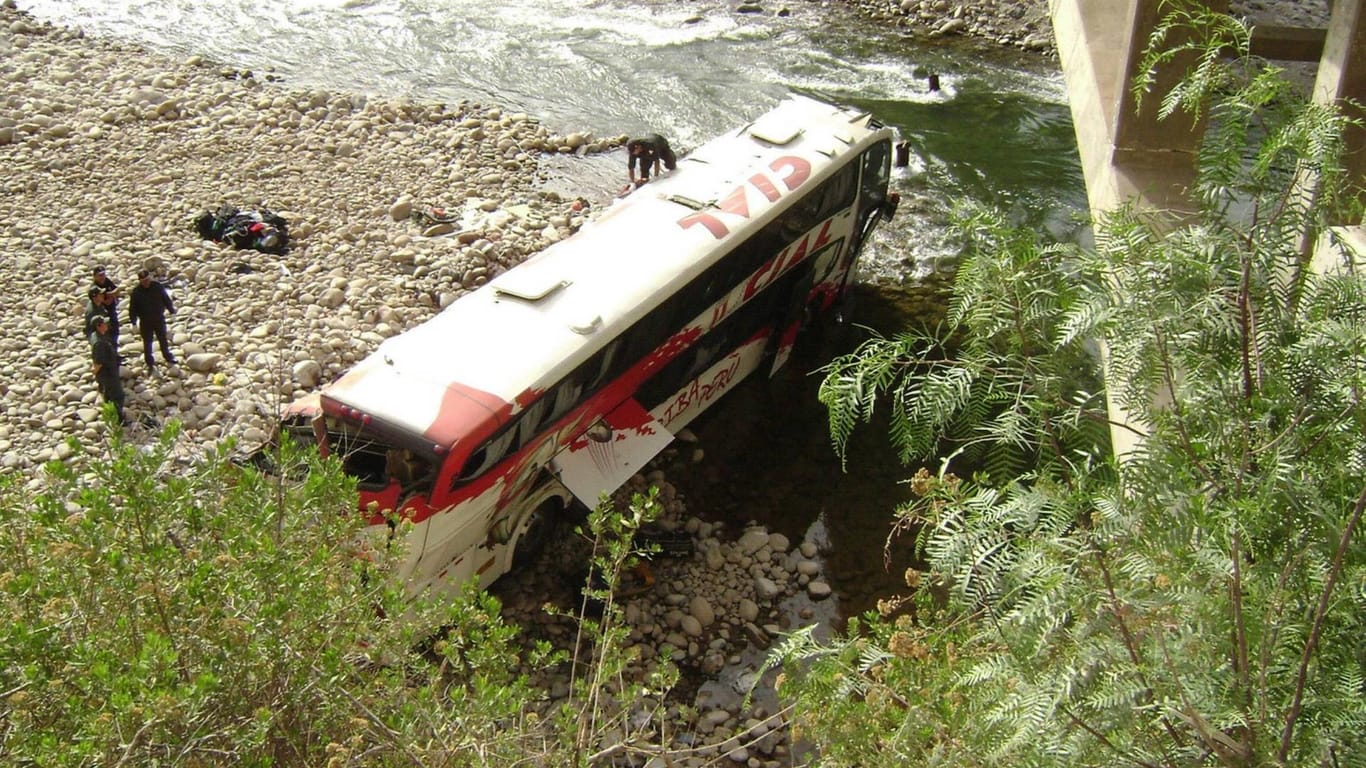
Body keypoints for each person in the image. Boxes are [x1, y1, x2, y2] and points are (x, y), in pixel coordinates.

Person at [128, 269, 178, 371]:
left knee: (163, 339)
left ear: (150, 278)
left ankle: (167, 356)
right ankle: (149, 362)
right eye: (143, 281)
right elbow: (132, 308)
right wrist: (133, 322)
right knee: (147, 342)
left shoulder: (157, 286)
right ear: (140, 281)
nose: (146, 283)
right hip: (145, 321)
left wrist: (172, 311)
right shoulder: (136, 292)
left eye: (147, 280)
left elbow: (166, 299)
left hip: (159, 318)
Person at [89, 315, 127, 425]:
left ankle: (112, 417)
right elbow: (98, 362)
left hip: (108, 372)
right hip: (108, 374)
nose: (106, 325)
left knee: (108, 396)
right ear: (98, 326)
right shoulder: (99, 343)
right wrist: (95, 372)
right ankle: (118, 420)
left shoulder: (98, 336)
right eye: (104, 323)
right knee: (117, 396)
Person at [91, 265, 121, 344]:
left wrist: (110, 294)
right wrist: (112, 295)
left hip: (111, 310)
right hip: (102, 313)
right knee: (106, 334)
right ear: (95, 276)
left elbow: (117, 290)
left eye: (103, 274)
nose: (102, 277)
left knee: (115, 331)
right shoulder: (95, 288)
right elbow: (106, 301)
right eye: (99, 275)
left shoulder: (107, 281)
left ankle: (115, 353)